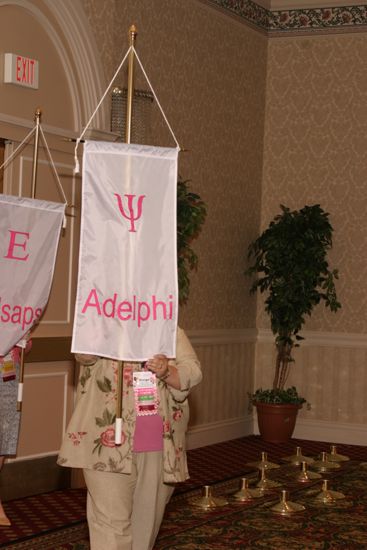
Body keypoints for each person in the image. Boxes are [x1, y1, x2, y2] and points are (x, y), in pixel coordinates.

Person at [58, 326, 202, 550]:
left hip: (156, 445)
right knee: (109, 527)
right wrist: (104, 327)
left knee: (143, 530)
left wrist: (166, 371)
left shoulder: (167, 326)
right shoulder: (100, 319)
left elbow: (192, 372)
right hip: (104, 444)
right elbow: (83, 355)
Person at [0, 339, 32, 526]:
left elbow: (26, 348)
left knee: (5, 437)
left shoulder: (14, 311)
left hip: (9, 375)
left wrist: (23, 340)